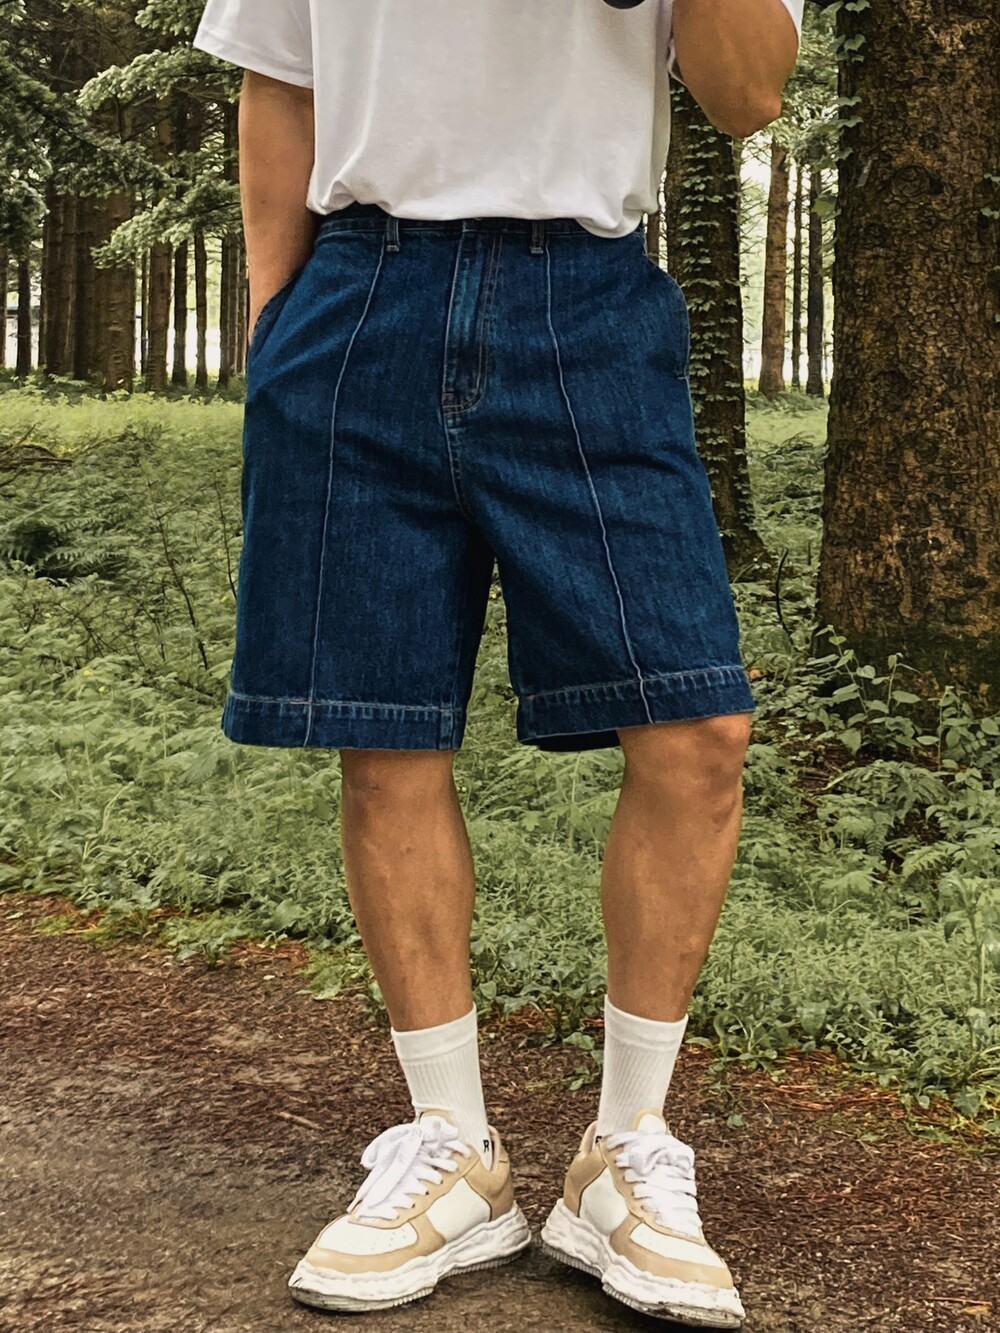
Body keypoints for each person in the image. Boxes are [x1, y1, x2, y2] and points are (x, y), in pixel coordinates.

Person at [191, 1, 803, 1325]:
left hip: (591, 296)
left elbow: (747, 94)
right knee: (385, 730)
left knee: (697, 731)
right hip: (359, 290)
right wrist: (274, 326)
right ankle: (452, 1148)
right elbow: (279, 80)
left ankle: (624, 1151)